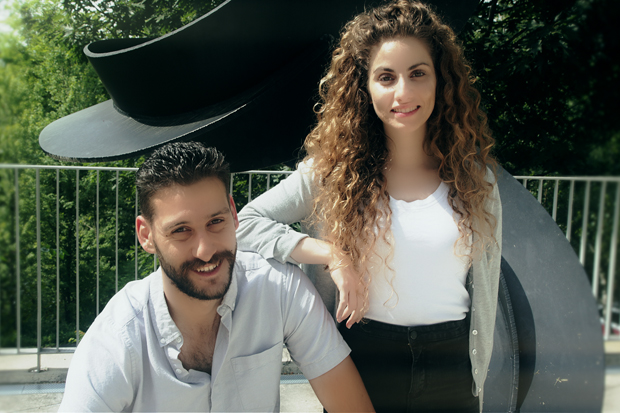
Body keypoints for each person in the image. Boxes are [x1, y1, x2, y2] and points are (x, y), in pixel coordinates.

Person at [236, 1, 502, 412]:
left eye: (418, 73)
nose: (404, 92)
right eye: (386, 77)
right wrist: (333, 255)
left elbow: (485, 288)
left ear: (440, 80)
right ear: (365, 87)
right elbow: (244, 223)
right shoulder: (330, 173)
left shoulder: (476, 179)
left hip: (454, 368)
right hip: (361, 360)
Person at [59, 142, 374, 412]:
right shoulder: (119, 337)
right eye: (181, 231)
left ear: (234, 214)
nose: (205, 249)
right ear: (146, 235)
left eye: (215, 222)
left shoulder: (279, 290)